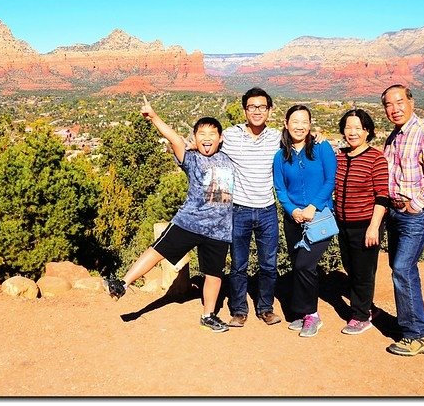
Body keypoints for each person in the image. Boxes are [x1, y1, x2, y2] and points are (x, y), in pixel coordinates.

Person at [103, 96, 235, 333]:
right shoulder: (191, 158)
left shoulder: (229, 158)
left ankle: (208, 315)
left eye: (212, 133)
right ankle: (123, 283)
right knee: (158, 250)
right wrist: (153, 116)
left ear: (220, 138)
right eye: (201, 134)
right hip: (188, 222)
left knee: (214, 274)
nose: (207, 138)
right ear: (194, 138)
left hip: (220, 228)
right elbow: (173, 137)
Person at [381, 85, 424, 356]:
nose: (394, 108)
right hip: (396, 211)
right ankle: (411, 326)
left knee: (402, 267)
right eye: (389, 104)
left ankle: (417, 335)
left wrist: (417, 203)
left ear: (411, 102)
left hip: (415, 213)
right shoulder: (395, 136)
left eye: (400, 102)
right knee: (403, 268)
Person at [273, 104, 337, 338]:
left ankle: (312, 315)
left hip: (319, 217)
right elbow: (280, 189)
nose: (299, 126)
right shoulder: (280, 156)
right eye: (295, 121)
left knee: (304, 265)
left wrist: (312, 207)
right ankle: (302, 313)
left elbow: (330, 180)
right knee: (298, 266)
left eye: (304, 122)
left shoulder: (322, 148)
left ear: (310, 125)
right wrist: (292, 211)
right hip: (294, 220)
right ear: (286, 124)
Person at [222, 87, 283, 327]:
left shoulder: (278, 137)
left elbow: (303, 144)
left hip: (268, 209)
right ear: (244, 110)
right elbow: (206, 144)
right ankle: (238, 310)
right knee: (238, 264)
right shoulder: (230, 135)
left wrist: (317, 139)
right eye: (252, 107)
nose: (257, 111)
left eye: (262, 107)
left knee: (269, 264)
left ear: (269, 110)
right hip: (239, 209)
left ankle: (266, 308)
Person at [334, 108, 390, 335]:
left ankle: (360, 315)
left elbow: (382, 196)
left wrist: (374, 226)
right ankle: (367, 307)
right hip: (343, 224)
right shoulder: (340, 157)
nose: (353, 132)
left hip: (366, 224)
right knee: (351, 267)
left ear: (367, 131)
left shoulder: (376, 158)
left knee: (363, 271)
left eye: (358, 128)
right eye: (348, 127)